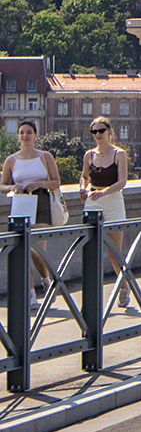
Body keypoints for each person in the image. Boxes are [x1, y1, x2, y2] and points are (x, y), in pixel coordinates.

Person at [2, 120, 63, 312]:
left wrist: (40, 184)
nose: (25, 136)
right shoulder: (11, 160)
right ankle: (31, 296)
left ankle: (46, 281)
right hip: (21, 204)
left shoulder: (45, 157)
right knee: (23, 251)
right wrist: (12, 187)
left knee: (36, 250)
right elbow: (2, 185)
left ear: (35, 135)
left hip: (41, 203)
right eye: (21, 132)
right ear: (18, 136)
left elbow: (56, 182)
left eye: (28, 132)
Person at [82, 117, 133, 310]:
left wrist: (104, 192)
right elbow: (84, 176)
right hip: (93, 200)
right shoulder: (89, 155)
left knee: (114, 251)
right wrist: (83, 188)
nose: (98, 135)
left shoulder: (119, 154)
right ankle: (91, 295)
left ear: (109, 131)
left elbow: (122, 182)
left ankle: (123, 286)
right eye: (94, 132)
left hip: (112, 200)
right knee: (92, 249)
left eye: (101, 131)